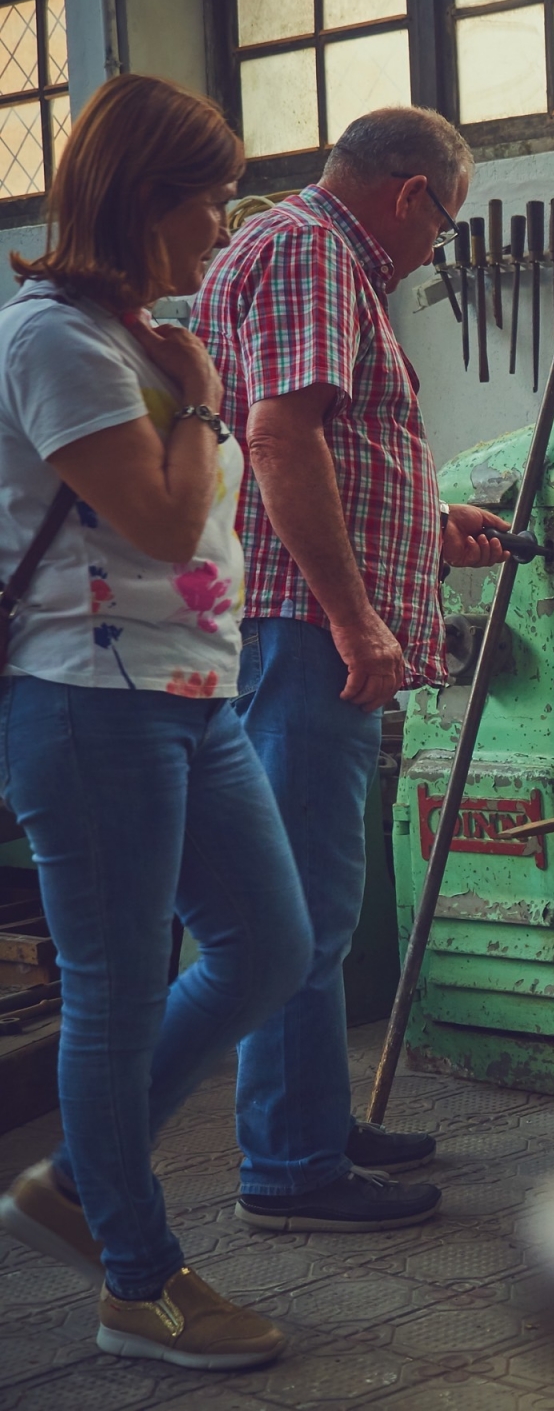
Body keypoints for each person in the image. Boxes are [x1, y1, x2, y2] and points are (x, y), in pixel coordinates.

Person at [0, 75, 308, 1369]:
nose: (225, 224)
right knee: (116, 1002)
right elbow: (166, 522)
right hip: (90, 706)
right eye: (211, 198)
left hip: (190, 695)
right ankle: (138, 1280)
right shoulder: (55, 340)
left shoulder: (141, 336)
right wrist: (195, 393)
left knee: (269, 946)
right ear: (146, 201)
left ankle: (77, 1176)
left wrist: (185, 378)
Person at [192, 107, 509, 1232]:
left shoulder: (299, 254)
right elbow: (281, 439)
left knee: (316, 897)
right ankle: (289, 1166)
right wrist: (354, 617)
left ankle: (312, 1119)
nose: (435, 251)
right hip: (300, 629)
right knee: (303, 904)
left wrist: (425, 520)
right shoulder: (315, 251)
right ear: (413, 194)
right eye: (445, 225)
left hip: (297, 619)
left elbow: (333, 448)